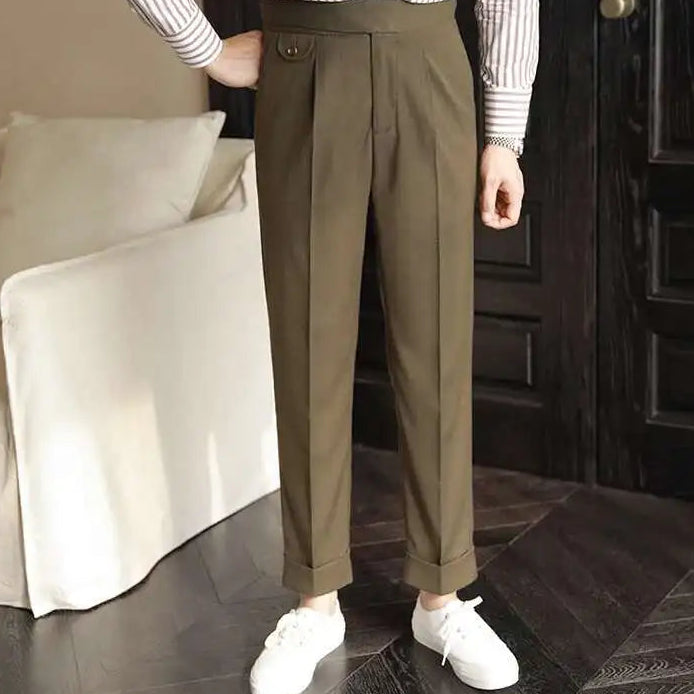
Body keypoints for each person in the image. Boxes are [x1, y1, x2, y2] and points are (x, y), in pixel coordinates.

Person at [124, 0, 539, 692]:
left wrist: (504, 133)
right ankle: (315, 602)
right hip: (304, 63)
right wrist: (205, 49)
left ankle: (442, 597)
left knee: (437, 344)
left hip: (429, 60)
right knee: (306, 340)